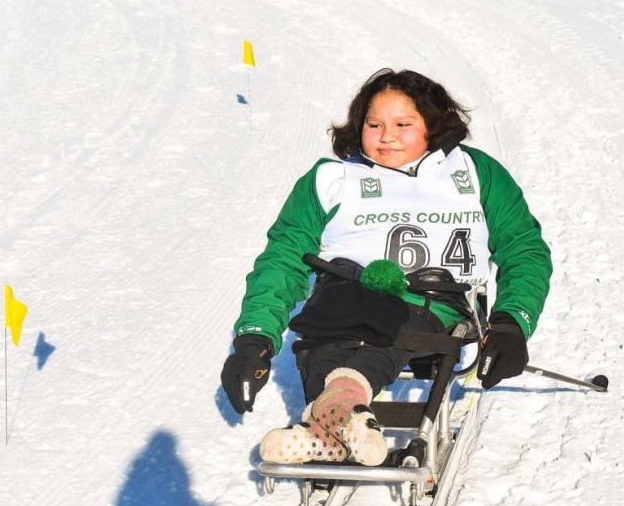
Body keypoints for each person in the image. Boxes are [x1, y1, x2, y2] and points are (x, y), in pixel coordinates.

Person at [220, 68, 552, 466]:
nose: (386, 135)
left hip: (434, 301)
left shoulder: (476, 173)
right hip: (343, 293)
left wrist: (511, 322)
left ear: (432, 124)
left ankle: (338, 410)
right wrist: (254, 342)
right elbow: (284, 258)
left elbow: (523, 249)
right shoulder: (331, 179)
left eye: (403, 124)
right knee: (324, 323)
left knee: (390, 318)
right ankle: (333, 430)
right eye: (373, 124)